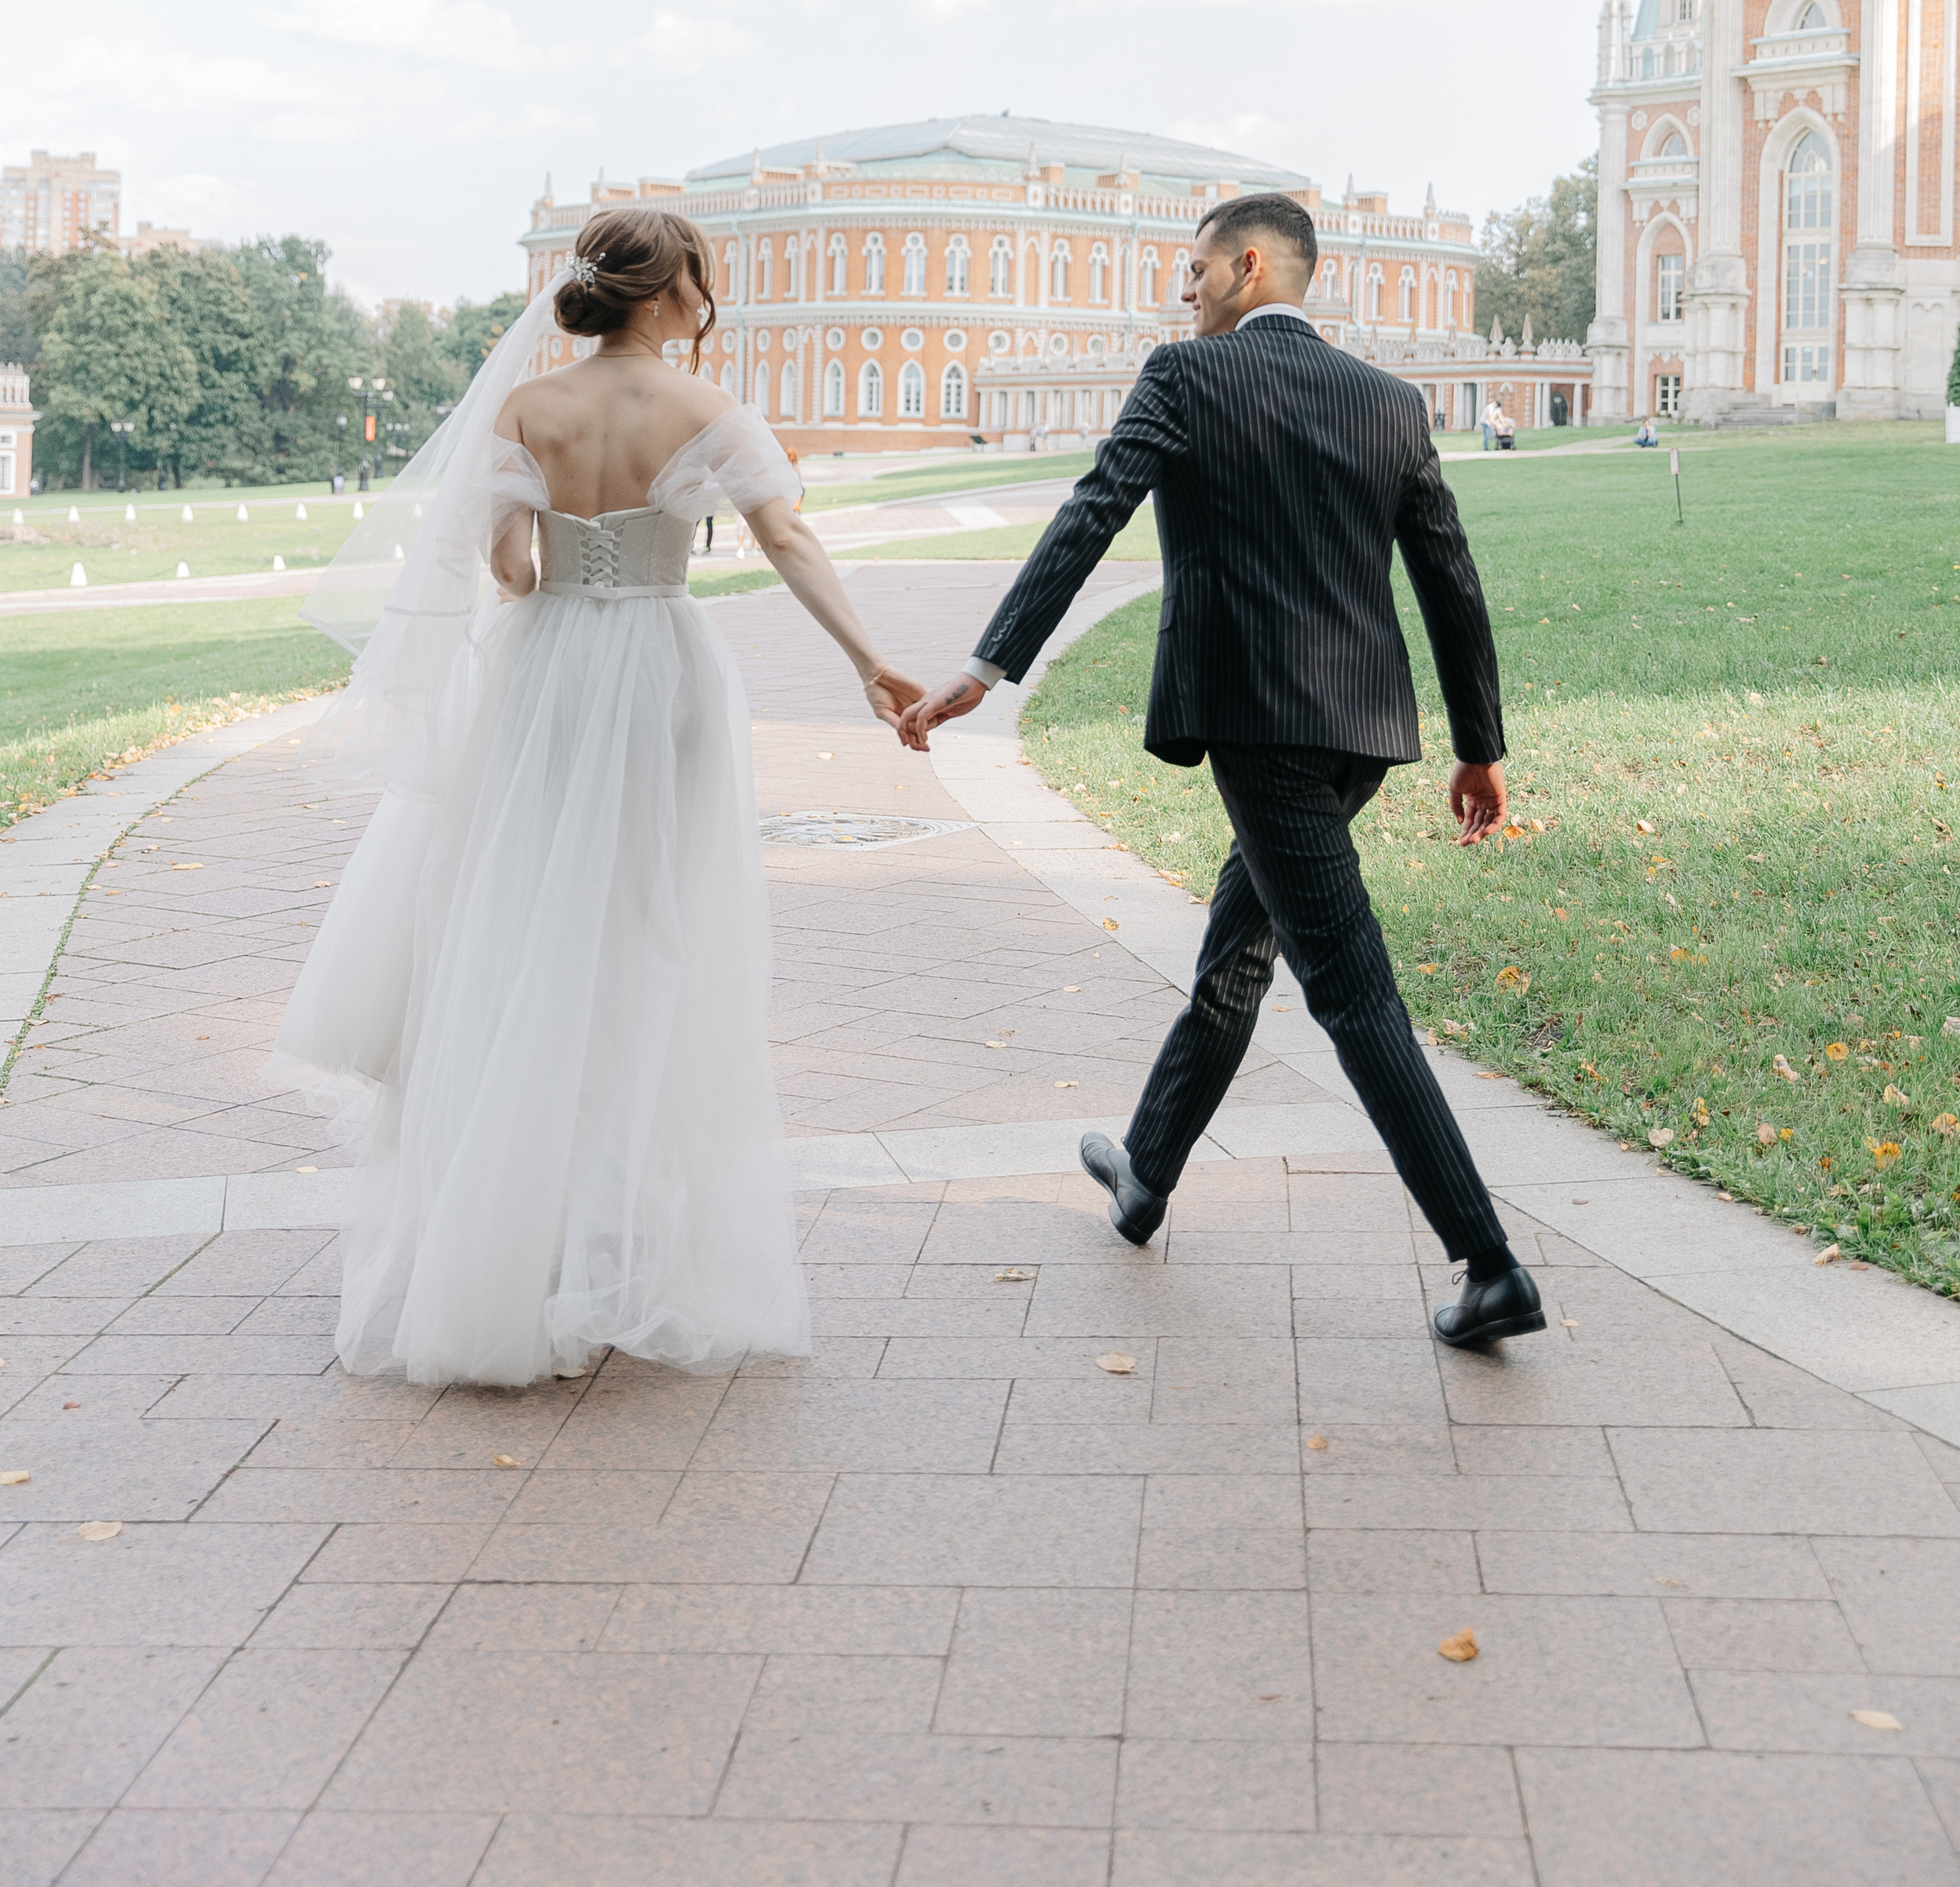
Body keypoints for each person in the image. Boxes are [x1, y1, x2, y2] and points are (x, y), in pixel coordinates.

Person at [274, 206, 922, 1387]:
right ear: (670, 293)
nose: (705, 299)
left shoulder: (529, 407)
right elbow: (788, 539)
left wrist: (549, 565)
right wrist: (870, 662)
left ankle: (507, 1239)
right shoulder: (710, 409)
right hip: (660, 672)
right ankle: (618, 1244)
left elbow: (509, 569)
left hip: (546, 672)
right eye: (701, 280)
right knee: (644, 936)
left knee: (525, 926)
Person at [897, 191, 1543, 1354]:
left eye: (1194, 270)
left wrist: (986, 668)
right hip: (1364, 729)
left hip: (1258, 724)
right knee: (1241, 949)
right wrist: (1477, 745)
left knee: (1351, 992)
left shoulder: (1186, 377)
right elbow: (1451, 577)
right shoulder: (1391, 402)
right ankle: (1146, 1172)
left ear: (1248, 266)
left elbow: (1095, 512)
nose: (1183, 291)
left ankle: (1489, 1262)